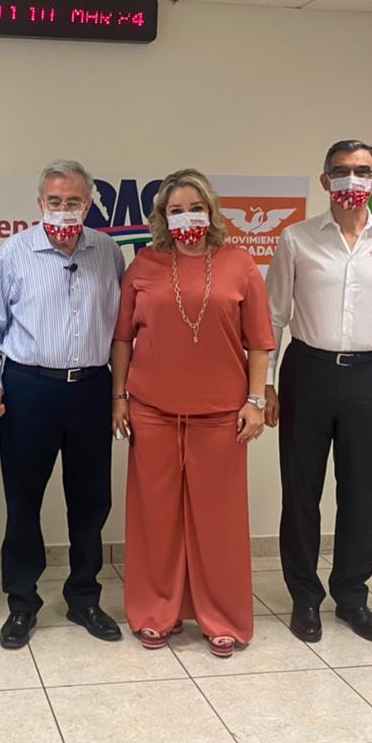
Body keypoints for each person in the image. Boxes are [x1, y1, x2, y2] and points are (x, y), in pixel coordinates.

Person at [264, 140, 372, 645]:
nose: (351, 180)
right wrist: (265, 383)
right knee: (301, 491)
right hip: (307, 371)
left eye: (361, 171)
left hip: (371, 376)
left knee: (360, 491)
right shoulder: (296, 239)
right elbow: (273, 316)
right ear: (324, 180)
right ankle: (305, 597)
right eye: (340, 171)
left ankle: (352, 596)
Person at [111, 169, 273, 658]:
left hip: (221, 416)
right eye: (176, 210)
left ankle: (222, 617)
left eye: (195, 208)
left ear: (212, 211)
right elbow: (123, 339)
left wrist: (256, 401)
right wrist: (119, 397)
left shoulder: (240, 264)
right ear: (162, 217)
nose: (187, 218)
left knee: (219, 522)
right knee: (155, 519)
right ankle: (155, 613)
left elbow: (259, 342)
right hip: (152, 411)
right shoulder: (143, 265)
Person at [0, 159, 126, 649]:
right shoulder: (13, 253)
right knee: (23, 500)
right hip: (28, 389)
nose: (64, 209)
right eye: (55, 201)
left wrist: (121, 393)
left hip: (91, 389)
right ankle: (22, 602)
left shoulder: (107, 252)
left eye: (73, 201)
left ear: (89, 204)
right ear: (40, 204)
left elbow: (121, 328)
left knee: (91, 501)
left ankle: (84, 597)